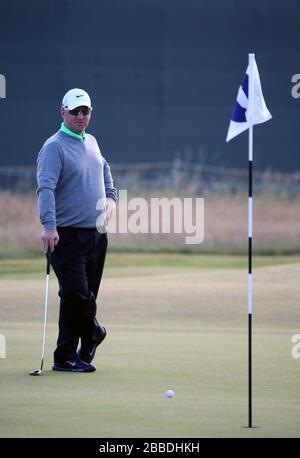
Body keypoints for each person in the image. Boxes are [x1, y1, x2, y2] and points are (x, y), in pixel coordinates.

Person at [37, 88, 117, 373]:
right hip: (65, 234)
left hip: (96, 235)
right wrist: (49, 225)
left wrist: (110, 198)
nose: (81, 116)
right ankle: (93, 333)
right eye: (75, 111)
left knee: (81, 298)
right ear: (63, 112)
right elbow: (45, 187)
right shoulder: (54, 147)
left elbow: (104, 169)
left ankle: (65, 357)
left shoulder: (92, 142)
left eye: (85, 111)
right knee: (76, 294)